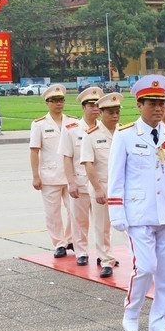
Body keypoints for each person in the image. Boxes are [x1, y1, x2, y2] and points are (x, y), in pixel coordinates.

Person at [108, 75, 165, 331]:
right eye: (152, 103)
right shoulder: (124, 136)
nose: (159, 108)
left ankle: (160, 322)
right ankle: (132, 311)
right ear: (139, 104)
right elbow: (116, 177)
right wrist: (116, 212)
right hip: (138, 212)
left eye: (162, 103)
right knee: (145, 267)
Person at [29, 84, 77, 258]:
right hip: (49, 174)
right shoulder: (39, 124)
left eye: (61, 100)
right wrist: (36, 176)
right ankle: (59, 243)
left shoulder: (73, 122)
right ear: (47, 103)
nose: (59, 104)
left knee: (74, 210)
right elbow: (34, 151)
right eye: (55, 101)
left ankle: (71, 239)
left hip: (71, 175)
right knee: (53, 213)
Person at [59, 86, 103, 265]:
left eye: (97, 105)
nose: (95, 109)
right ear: (83, 108)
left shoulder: (105, 129)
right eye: (91, 105)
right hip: (80, 181)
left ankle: (103, 254)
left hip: (100, 184)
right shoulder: (71, 129)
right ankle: (81, 252)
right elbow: (67, 157)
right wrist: (71, 183)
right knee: (79, 221)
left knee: (102, 223)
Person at [80, 92, 122, 278]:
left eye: (117, 112)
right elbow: (88, 163)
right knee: (102, 226)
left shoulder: (125, 132)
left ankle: (137, 260)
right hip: (103, 185)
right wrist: (97, 188)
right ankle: (106, 260)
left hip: (124, 187)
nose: (115, 116)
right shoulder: (91, 135)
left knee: (131, 225)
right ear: (102, 113)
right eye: (111, 112)